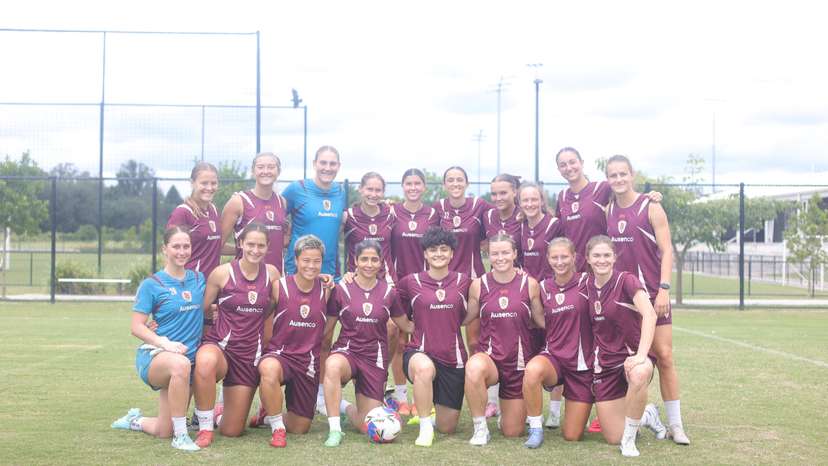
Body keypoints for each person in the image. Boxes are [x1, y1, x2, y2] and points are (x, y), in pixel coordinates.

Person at [605, 155, 690, 445]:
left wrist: (664, 289)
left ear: (633, 175)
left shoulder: (651, 206)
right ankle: (641, 414)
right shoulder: (608, 208)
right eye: (613, 175)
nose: (618, 179)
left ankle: (676, 425)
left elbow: (667, 251)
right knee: (625, 362)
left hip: (653, 296)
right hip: (624, 300)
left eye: (623, 174)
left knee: (664, 357)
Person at [111, 226, 205, 451]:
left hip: (184, 365)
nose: (181, 251)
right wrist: (165, 343)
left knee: (163, 430)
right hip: (157, 358)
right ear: (165, 249)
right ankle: (182, 437)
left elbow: (206, 308)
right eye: (176, 246)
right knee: (181, 364)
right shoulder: (152, 284)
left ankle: (135, 420)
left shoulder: (199, 278)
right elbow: (136, 327)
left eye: (186, 246)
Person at [192, 223, 280, 447]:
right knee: (205, 361)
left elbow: (278, 303)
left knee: (232, 431)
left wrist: (324, 282)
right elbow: (201, 308)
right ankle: (204, 428)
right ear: (241, 243)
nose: (255, 250)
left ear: (268, 247)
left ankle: (220, 414)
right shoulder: (222, 273)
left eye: (261, 245)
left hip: (249, 355)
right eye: (250, 244)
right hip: (220, 347)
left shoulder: (272, 274)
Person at [321, 240, 414, 447]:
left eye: (374, 259)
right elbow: (326, 328)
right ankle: (335, 430)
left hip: (374, 358)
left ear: (381, 262)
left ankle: (344, 407)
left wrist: (440, 320)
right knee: (333, 365)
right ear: (355, 261)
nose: (369, 264)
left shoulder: (389, 293)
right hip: (348, 351)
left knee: (366, 424)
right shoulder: (341, 289)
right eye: (364, 259)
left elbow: (405, 326)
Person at [584, 235, 666, 457]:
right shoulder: (585, 284)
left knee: (640, 373)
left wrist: (641, 355)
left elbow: (649, 314)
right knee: (612, 437)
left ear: (614, 257)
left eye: (607, 255)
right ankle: (648, 415)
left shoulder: (626, 280)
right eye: (596, 255)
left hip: (632, 357)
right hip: (605, 363)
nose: (602, 260)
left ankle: (629, 441)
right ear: (588, 259)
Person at [281, 146, 347, 414]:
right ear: (314, 163)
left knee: (324, 336)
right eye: (323, 163)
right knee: (288, 333)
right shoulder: (296, 189)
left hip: (329, 274)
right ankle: (273, 393)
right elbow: (275, 215)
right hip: (297, 274)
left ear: (338, 166)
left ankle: (319, 394)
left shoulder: (341, 193)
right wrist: (286, 240)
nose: (327, 168)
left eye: (332, 163)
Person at [462, 234, 544, 446]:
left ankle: (508, 416)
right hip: (490, 359)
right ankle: (480, 429)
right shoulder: (478, 285)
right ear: (488, 254)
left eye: (505, 252)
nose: (500, 258)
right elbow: (466, 317)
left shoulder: (530, 284)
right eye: (495, 253)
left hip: (518, 364)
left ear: (515, 253)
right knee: (473, 367)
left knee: (513, 431)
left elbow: (542, 321)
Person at [396, 227, 470, 446]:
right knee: (425, 369)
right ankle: (425, 427)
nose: (438, 254)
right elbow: (392, 306)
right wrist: (409, 327)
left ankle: (433, 414)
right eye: (433, 250)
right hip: (419, 351)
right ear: (425, 254)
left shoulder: (464, 282)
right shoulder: (410, 282)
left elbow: (481, 301)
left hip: (453, 357)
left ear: (452, 253)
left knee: (447, 427)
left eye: (444, 249)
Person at [256, 235, 332, 448]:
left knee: (300, 428)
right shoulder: (278, 287)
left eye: (316, 261)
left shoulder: (327, 289)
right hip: (281, 356)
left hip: (307, 362)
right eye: (306, 260)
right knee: (268, 368)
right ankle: (277, 428)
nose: (311, 265)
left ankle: (267, 415)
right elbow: (256, 315)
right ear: (296, 260)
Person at [521, 238, 593, 448]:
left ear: (574, 257)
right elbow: (538, 318)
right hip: (554, 357)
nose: (560, 262)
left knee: (572, 435)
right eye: (555, 257)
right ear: (548, 259)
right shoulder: (543, 287)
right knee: (533, 370)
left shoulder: (587, 282)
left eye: (564, 257)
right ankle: (535, 428)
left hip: (582, 364)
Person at [386, 168, 439, 416]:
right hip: (399, 285)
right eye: (409, 183)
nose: (413, 187)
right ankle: (400, 397)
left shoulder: (433, 214)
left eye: (418, 183)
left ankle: (425, 397)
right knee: (397, 338)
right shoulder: (392, 212)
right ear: (402, 186)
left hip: (425, 286)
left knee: (427, 340)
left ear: (425, 187)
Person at [518, 181, 565, 428]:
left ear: (541, 199)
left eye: (533, 199)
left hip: (551, 294)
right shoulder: (521, 227)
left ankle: (555, 411)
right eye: (525, 200)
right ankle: (530, 410)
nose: (529, 204)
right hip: (528, 297)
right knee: (530, 351)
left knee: (555, 347)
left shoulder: (554, 224)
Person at [479, 173, 524, 419]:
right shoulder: (486, 215)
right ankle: (492, 400)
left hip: (524, 286)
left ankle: (535, 405)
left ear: (515, 191)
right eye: (494, 193)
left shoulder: (525, 213)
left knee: (527, 344)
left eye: (503, 192)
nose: (498, 198)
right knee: (491, 340)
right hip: (495, 285)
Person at [220, 152, 288, 274]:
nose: (266, 171)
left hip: (275, 277)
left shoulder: (281, 202)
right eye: (260, 167)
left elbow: (279, 241)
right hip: (245, 279)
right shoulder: (238, 202)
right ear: (253, 171)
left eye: (271, 167)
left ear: (278, 171)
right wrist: (245, 249)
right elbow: (217, 246)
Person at [167, 162, 222, 278]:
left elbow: (215, 245)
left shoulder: (214, 211)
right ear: (192, 183)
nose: (209, 188)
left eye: (213, 183)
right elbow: (169, 251)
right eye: (204, 183)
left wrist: (243, 248)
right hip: (189, 285)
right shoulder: (183, 212)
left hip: (212, 285)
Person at [343, 172, 395, 281]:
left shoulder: (391, 213)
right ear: (360, 189)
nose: (373, 194)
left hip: (387, 282)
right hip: (356, 281)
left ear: (383, 192)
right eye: (369, 189)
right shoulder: (348, 215)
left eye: (378, 190)